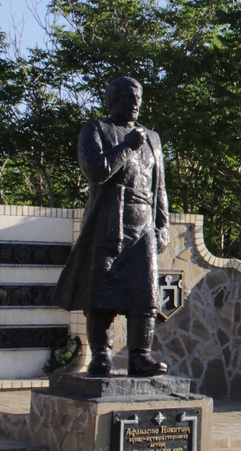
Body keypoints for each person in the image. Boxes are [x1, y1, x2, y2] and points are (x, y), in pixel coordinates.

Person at [52, 77, 169, 376]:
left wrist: (163, 225)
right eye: (128, 97)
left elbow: (159, 188)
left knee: (145, 295)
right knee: (100, 294)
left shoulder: (152, 138)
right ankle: (101, 356)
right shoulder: (96, 129)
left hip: (143, 224)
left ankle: (140, 356)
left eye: (137, 97)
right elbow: (96, 172)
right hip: (108, 221)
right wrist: (127, 147)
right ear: (112, 101)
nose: (134, 103)